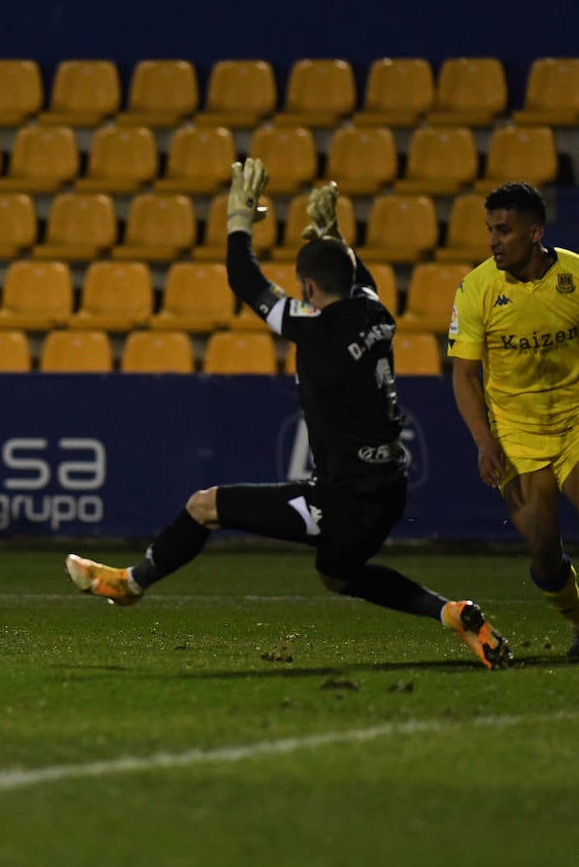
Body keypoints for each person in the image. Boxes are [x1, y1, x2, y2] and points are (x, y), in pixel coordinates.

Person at [65, 159, 513, 670]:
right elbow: (354, 276)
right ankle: (453, 614)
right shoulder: (376, 313)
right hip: (388, 486)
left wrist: (238, 220)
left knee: (203, 506)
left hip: (344, 498)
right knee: (337, 574)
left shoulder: (315, 329)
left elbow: (244, 279)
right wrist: (335, 232)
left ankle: (130, 584)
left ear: (306, 288)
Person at [449, 182, 579, 661]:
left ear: (535, 232)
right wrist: (485, 443)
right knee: (543, 547)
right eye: (490, 230)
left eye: (503, 230)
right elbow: (463, 376)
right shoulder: (477, 288)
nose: (492, 241)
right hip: (516, 434)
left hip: (575, 420)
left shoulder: (576, 275)